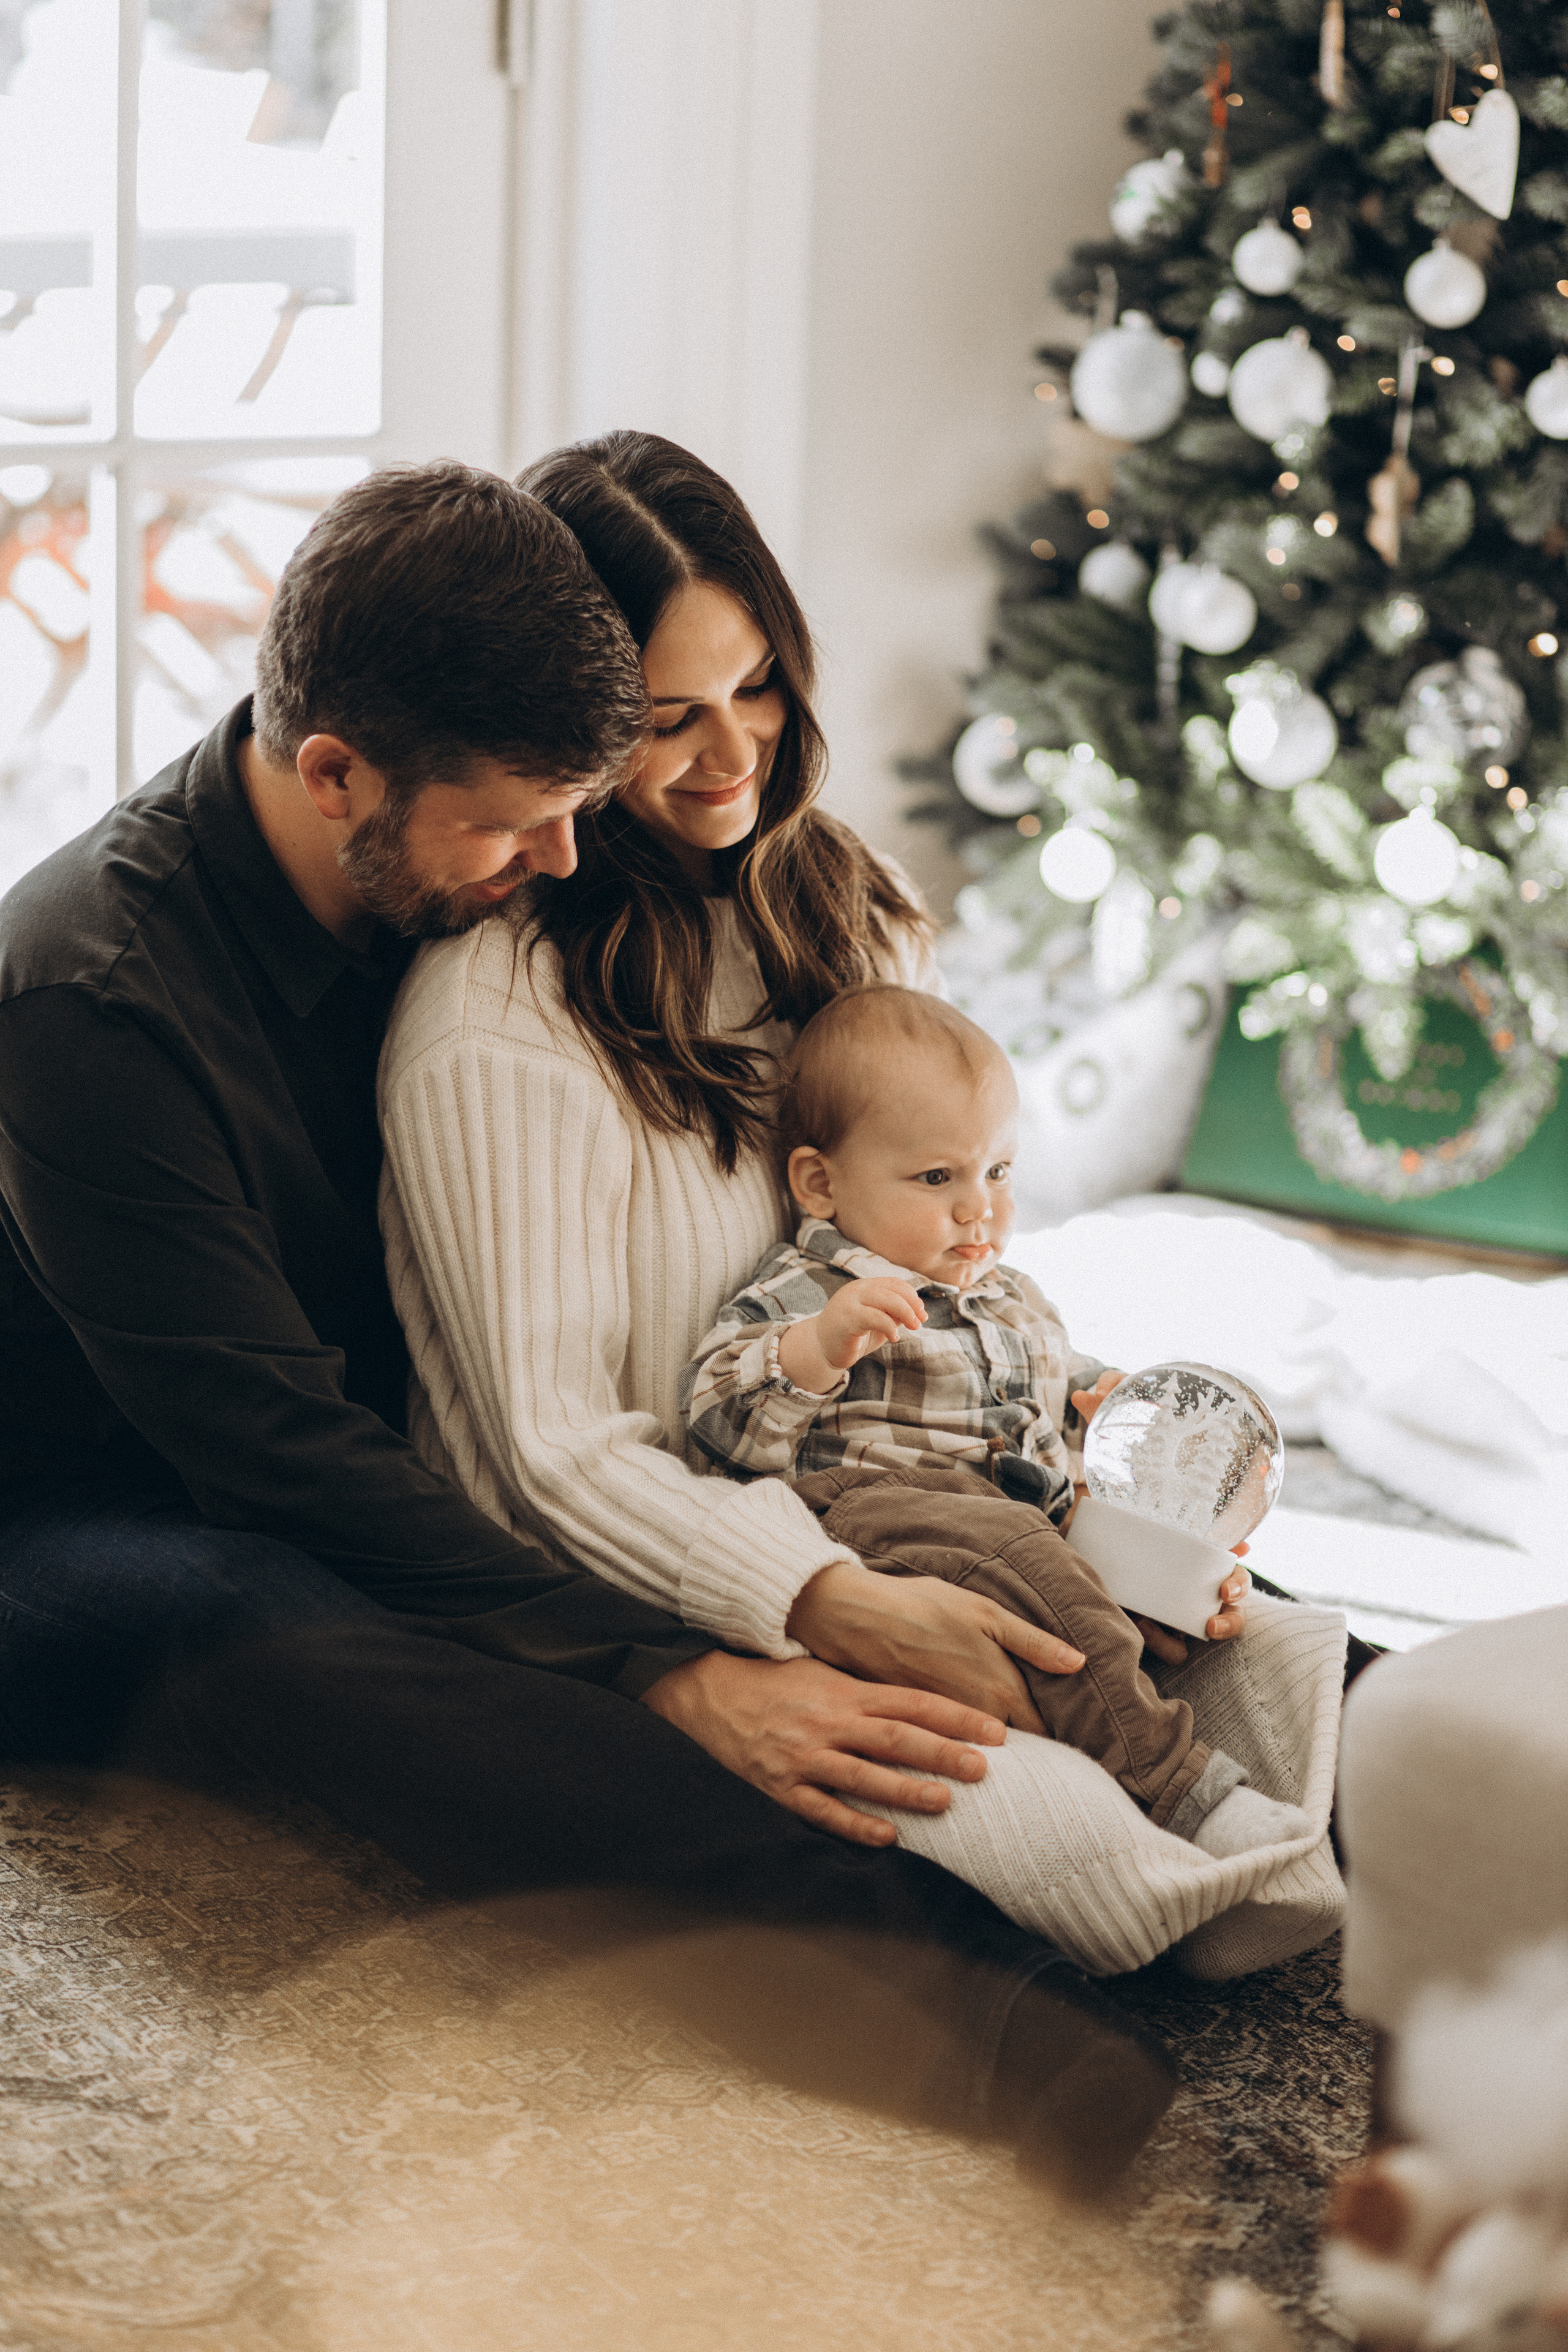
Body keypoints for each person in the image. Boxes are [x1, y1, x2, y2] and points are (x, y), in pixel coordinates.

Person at [0, 459, 1181, 2197]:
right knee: (272, 1618)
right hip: (103, 1504)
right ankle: (974, 2024)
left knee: (991, 1527)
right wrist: (669, 1668)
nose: (562, 856)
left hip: (368, 1441)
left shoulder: (445, 877)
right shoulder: (88, 996)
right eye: (516, 823)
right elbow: (271, 1457)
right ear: (336, 775)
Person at [378, 431, 1349, 1983]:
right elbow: (547, 1455)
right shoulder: (496, 1023)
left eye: (757, 686)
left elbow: (940, 1261)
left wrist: (1103, 1488)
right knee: (1053, 1844)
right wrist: (814, 1602)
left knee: (1284, 1656)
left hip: (920, 1500)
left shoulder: (850, 903)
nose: (730, 757)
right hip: (656, 1578)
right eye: (666, 719)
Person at [680, 981, 1315, 1858]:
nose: (980, 1207)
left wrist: (1104, 1408)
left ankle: (1197, 1681)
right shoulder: (813, 1290)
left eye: (999, 1171)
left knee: (1182, 1596)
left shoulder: (1012, 1296)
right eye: (938, 1177)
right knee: (1035, 1564)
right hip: (874, 1511)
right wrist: (819, 1348)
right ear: (819, 1183)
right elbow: (718, 1416)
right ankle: (1183, 1794)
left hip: (1017, 1518)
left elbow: (1057, 1391)